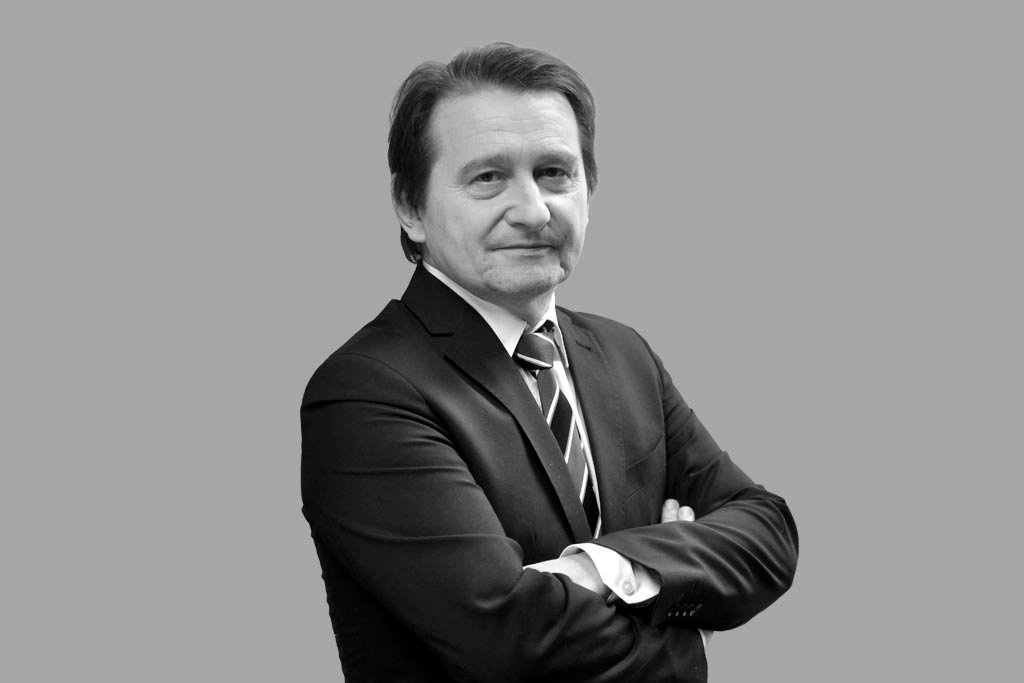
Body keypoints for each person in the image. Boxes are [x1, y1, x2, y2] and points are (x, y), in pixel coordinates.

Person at [301, 42, 798, 682]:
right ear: (410, 207)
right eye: (488, 178)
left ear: (589, 188)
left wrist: (602, 570)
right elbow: (508, 640)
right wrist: (681, 621)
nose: (533, 211)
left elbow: (769, 533)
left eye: (555, 172)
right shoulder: (366, 391)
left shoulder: (624, 354)